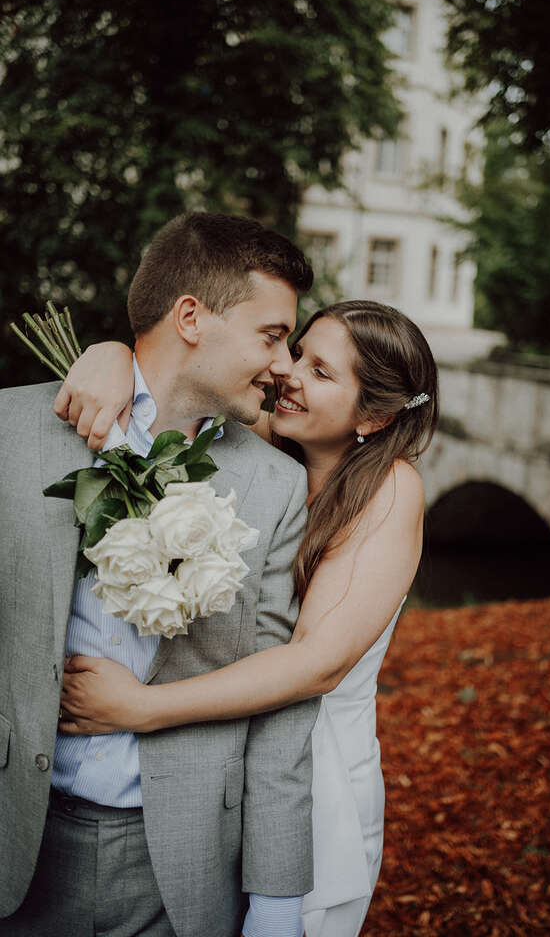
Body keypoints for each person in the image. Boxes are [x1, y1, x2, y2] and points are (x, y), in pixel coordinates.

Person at [54, 298, 439, 937]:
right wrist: (113, 356)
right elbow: (175, 377)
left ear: (373, 416)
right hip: (218, 764)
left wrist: (141, 708)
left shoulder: (390, 490)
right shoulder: (260, 443)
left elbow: (316, 664)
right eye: (298, 353)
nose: (289, 372)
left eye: (320, 372)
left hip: (314, 776)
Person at [0, 211, 321, 937]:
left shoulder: (275, 486)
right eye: (272, 335)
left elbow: (279, 709)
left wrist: (275, 901)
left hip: (183, 867)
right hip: (16, 838)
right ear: (191, 317)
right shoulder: (13, 432)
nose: (284, 364)